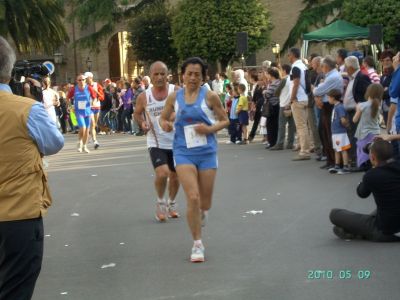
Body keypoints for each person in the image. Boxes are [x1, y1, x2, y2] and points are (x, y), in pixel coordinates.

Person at [0, 35, 64, 300]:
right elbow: (53, 143)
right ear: (8, 69)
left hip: (18, 214)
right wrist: (34, 101)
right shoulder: (26, 110)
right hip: (19, 214)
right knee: (15, 289)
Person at [160, 57, 229, 262]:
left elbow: (225, 120)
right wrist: (165, 124)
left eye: (197, 74)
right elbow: (163, 118)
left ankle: (202, 213)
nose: (192, 77)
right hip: (183, 152)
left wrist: (209, 129)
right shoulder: (174, 97)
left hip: (206, 152)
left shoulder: (210, 97)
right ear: (182, 75)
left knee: (205, 204)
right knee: (193, 197)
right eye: (189, 73)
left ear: (203, 77)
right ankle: (197, 244)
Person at [134, 61, 180, 222]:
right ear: (151, 76)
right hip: (156, 141)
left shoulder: (176, 91)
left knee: (176, 177)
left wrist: (173, 118)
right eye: (156, 74)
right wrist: (142, 123)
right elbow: (137, 114)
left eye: (163, 74)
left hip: (177, 142)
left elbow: (186, 109)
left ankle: (172, 203)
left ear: (167, 75)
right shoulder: (144, 96)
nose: (160, 77)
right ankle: (160, 203)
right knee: (162, 173)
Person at [329, 140, 400, 242]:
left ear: (372, 157)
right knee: (389, 205)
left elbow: (361, 193)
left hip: (385, 229)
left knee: (334, 214)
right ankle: (358, 230)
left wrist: (372, 170)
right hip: (390, 216)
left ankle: (360, 232)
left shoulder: (372, 175)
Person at [288, 47, 312, 160]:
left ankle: (304, 151)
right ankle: (308, 147)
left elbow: (295, 84)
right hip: (305, 97)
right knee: (305, 126)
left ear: (292, 55)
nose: (288, 57)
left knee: (301, 126)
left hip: (298, 98)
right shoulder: (303, 66)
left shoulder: (295, 67)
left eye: (288, 55)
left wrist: (292, 99)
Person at [353, 83, 383, 170]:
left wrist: (357, 109)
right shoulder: (378, 105)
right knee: (372, 153)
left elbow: (354, 120)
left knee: (363, 152)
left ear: (368, 92)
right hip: (375, 132)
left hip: (364, 133)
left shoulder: (362, 105)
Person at [67, 74, 98, 153]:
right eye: (79, 80)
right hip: (78, 111)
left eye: (83, 79)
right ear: (77, 81)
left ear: (85, 80)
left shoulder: (89, 88)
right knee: (83, 128)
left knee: (87, 130)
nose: (81, 81)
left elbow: (95, 97)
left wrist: (94, 102)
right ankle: (80, 142)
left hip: (87, 111)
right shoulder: (74, 89)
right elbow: (67, 98)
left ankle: (84, 146)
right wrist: (71, 106)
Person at [327, 89, 351, 174]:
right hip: (335, 132)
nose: (328, 99)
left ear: (333, 98)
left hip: (340, 132)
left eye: (329, 97)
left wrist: (345, 125)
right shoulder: (336, 107)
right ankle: (337, 165)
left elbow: (343, 119)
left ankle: (346, 166)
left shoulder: (339, 107)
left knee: (343, 149)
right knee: (337, 149)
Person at [85, 71, 104, 149]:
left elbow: (102, 97)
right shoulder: (84, 86)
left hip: (97, 107)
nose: (85, 80)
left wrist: (97, 96)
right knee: (92, 124)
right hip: (89, 107)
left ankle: (90, 135)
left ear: (91, 78)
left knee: (94, 125)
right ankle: (95, 141)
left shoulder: (97, 85)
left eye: (87, 78)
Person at [263, 67, 281, 149]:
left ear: (271, 75)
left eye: (268, 74)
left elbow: (268, 94)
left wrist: (264, 92)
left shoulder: (274, 83)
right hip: (276, 105)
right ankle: (273, 142)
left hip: (273, 105)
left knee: (271, 125)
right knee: (274, 124)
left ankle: (272, 142)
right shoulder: (278, 82)